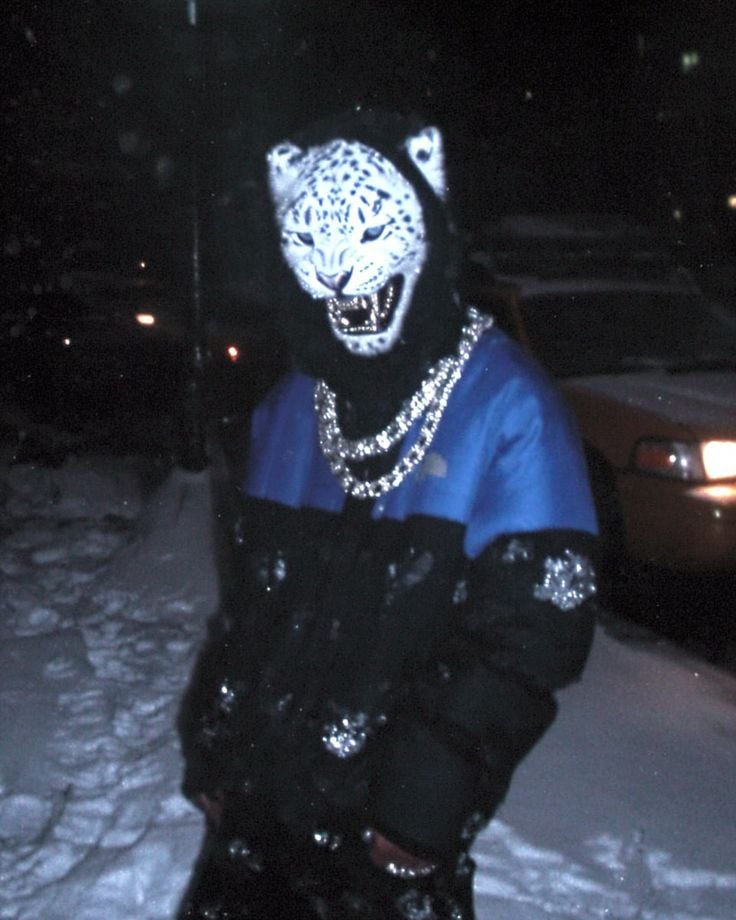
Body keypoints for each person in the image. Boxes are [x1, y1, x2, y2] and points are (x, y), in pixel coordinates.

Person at [176, 108, 598, 919]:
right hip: (258, 811)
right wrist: (218, 742)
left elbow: (531, 635)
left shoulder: (509, 405)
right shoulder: (292, 404)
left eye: (369, 233)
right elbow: (255, 605)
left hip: (381, 841)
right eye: (312, 241)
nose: (340, 269)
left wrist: (420, 805)